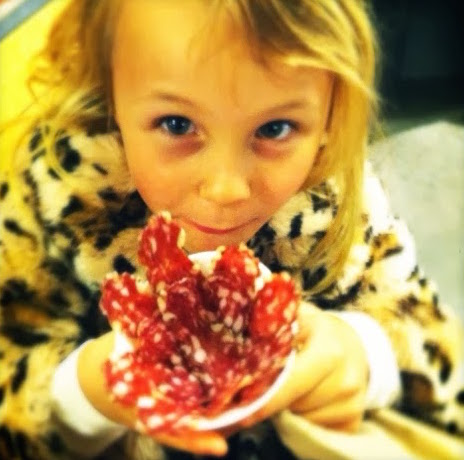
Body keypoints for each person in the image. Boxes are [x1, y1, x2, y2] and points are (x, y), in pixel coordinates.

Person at [0, 0, 462, 459]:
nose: (225, 189)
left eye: (276, 128)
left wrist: (365, 356)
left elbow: (431, 341)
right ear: (110, 95)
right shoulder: (61, 190)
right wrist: (83, 396)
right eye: (176, 123)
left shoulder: (335, 195)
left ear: (329, 115)